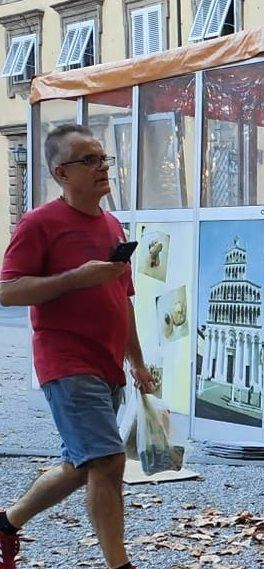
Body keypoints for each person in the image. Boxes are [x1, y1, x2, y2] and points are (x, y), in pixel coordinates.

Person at [0, 124, 158, 569]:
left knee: (82, 465)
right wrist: (75, 278)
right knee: (108, 462)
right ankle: (118, 564)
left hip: (107, 363)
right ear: (61, 173)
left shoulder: (111, 224)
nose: (101, 166)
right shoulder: (39, 224)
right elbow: (7, 291)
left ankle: (6, 524)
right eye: (88, 160)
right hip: (66, 363)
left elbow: (121, 300)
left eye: (102, 158)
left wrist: (138, 363)